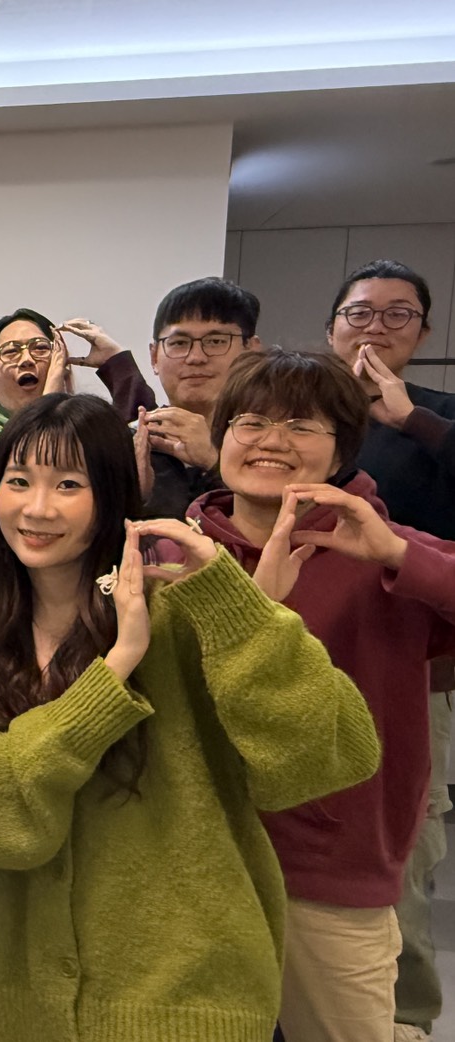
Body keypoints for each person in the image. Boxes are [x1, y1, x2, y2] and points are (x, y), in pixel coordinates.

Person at [0, 392, 381, 1041]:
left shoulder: (180, 612)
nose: (37, 508)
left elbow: (325, 758)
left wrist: (237, 607)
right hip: (20, 1007)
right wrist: (112, 673)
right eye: (18, 481)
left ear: (112, 497)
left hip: (187, 1001)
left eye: (68, 484)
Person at [184, 349, 455, 1042]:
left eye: (301, 425)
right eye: (250, 421)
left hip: (330, 871)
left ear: (341, 450)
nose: (271, 441)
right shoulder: (178, 554)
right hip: (195, 862)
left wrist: (399, 557)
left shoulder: (382, 548)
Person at [322, 259, 455, 1042]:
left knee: (400, 855)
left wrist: (410, 419)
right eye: (359, 313)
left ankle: (402, 1021)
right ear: (331, 328)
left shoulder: (439, 418)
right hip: (307, 662)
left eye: (396, 314)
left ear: (423, 332)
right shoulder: (303, 411)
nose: (374, 327)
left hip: (409, 674)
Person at [74, 277, 265, 518]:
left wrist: (213, 461)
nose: (196, 357)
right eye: (179, 343)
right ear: (154, 357)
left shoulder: (272, 440)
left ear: (251, 350)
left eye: (216, 341)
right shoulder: (128, 446)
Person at [0, 309, 67, 465]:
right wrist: (48, 404)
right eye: (11, 351)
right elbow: (35, 467)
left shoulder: (86, 429)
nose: (27, 360)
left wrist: (109, 363)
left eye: (40, 348)